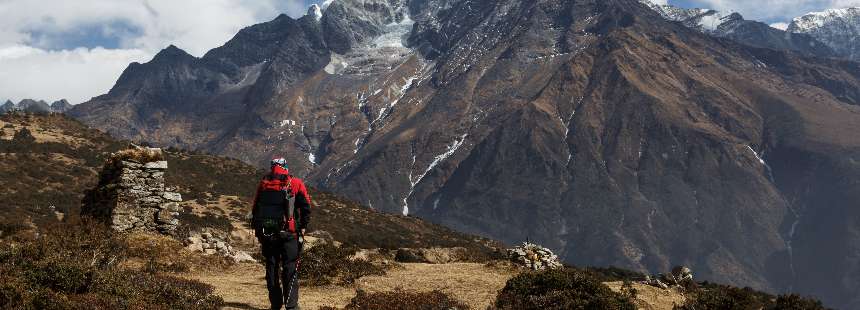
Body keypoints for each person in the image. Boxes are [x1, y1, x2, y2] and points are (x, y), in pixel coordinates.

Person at [251, 158, 312, 310]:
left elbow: (255, 208)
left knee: (271, 266)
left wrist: (259, 231)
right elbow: (306, 206)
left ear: (272, 168)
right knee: (290, 267)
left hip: (268, 233)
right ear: (285, 167)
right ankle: (291, 306)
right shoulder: (295, 183)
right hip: (288, 234)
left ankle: (275, 304)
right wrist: (303, 226)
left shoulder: (264, 183)